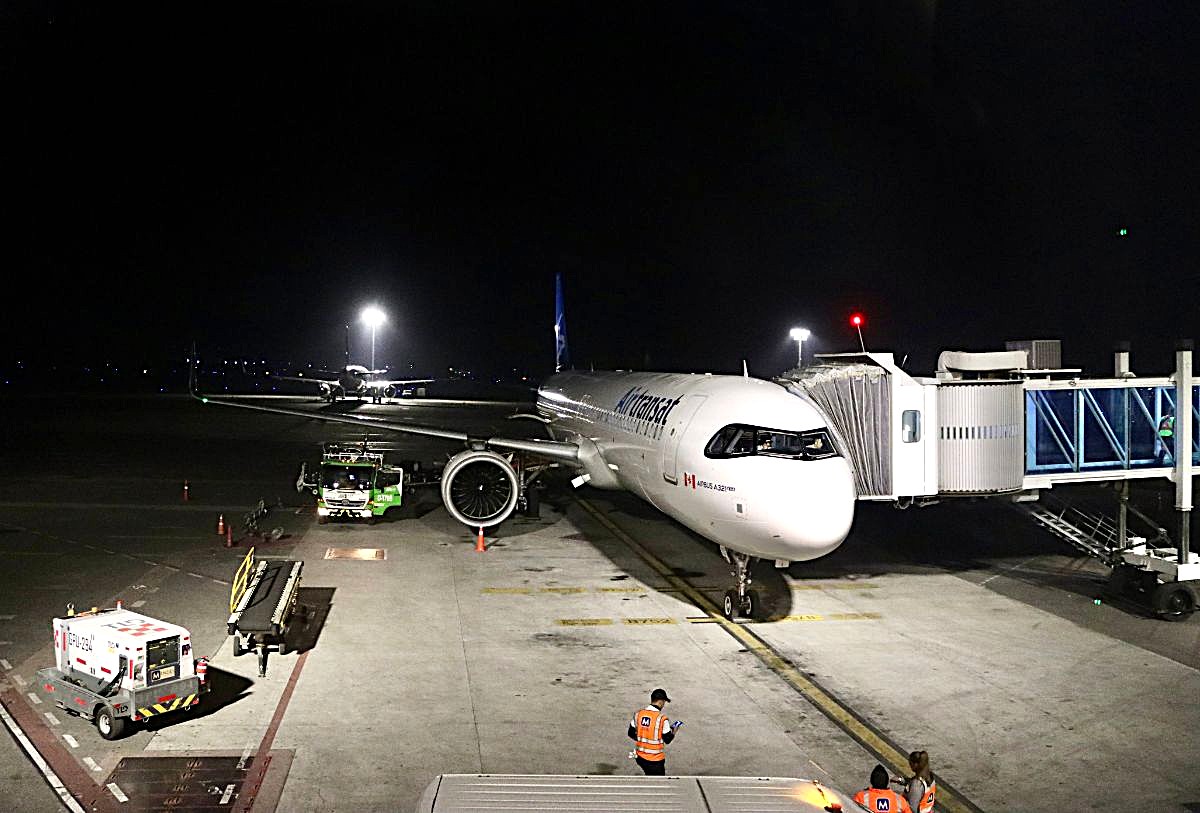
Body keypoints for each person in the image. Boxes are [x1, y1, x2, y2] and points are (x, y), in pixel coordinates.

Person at [627, 688, 682, 775]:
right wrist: (674, 731)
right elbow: (667, 740)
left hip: (640, 757)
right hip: (655, 760)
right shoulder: (662, 719)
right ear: (661, 702)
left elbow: (630, 733)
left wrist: (643, 737)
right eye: (664, 702)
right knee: (658, 782)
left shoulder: (638, 714)